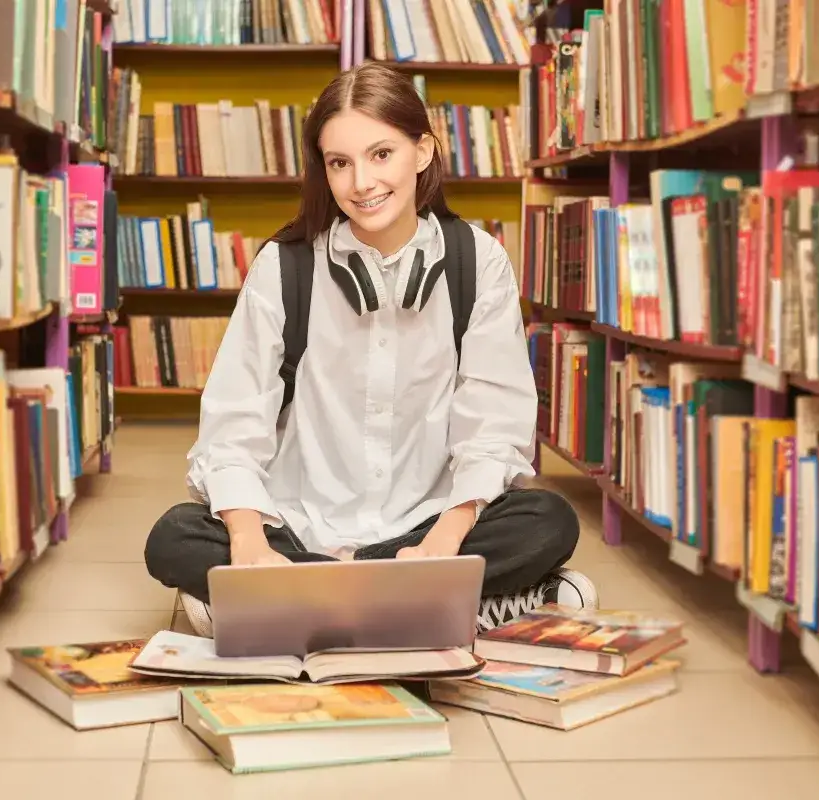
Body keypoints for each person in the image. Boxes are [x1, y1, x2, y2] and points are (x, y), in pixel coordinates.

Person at [144, 62, 597, 639]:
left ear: (423, 151)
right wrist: (251, 544)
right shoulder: (284, 266)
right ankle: (435, 606)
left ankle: (285, 605)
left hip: (424, 529)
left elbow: (494, 425)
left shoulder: (477, 262)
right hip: (302, 527)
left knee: (547, 520)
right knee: (174, 536)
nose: (362, 182)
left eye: (381, 153)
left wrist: (443, 541)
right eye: (340, 162)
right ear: (324, 171)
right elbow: (232, 427)